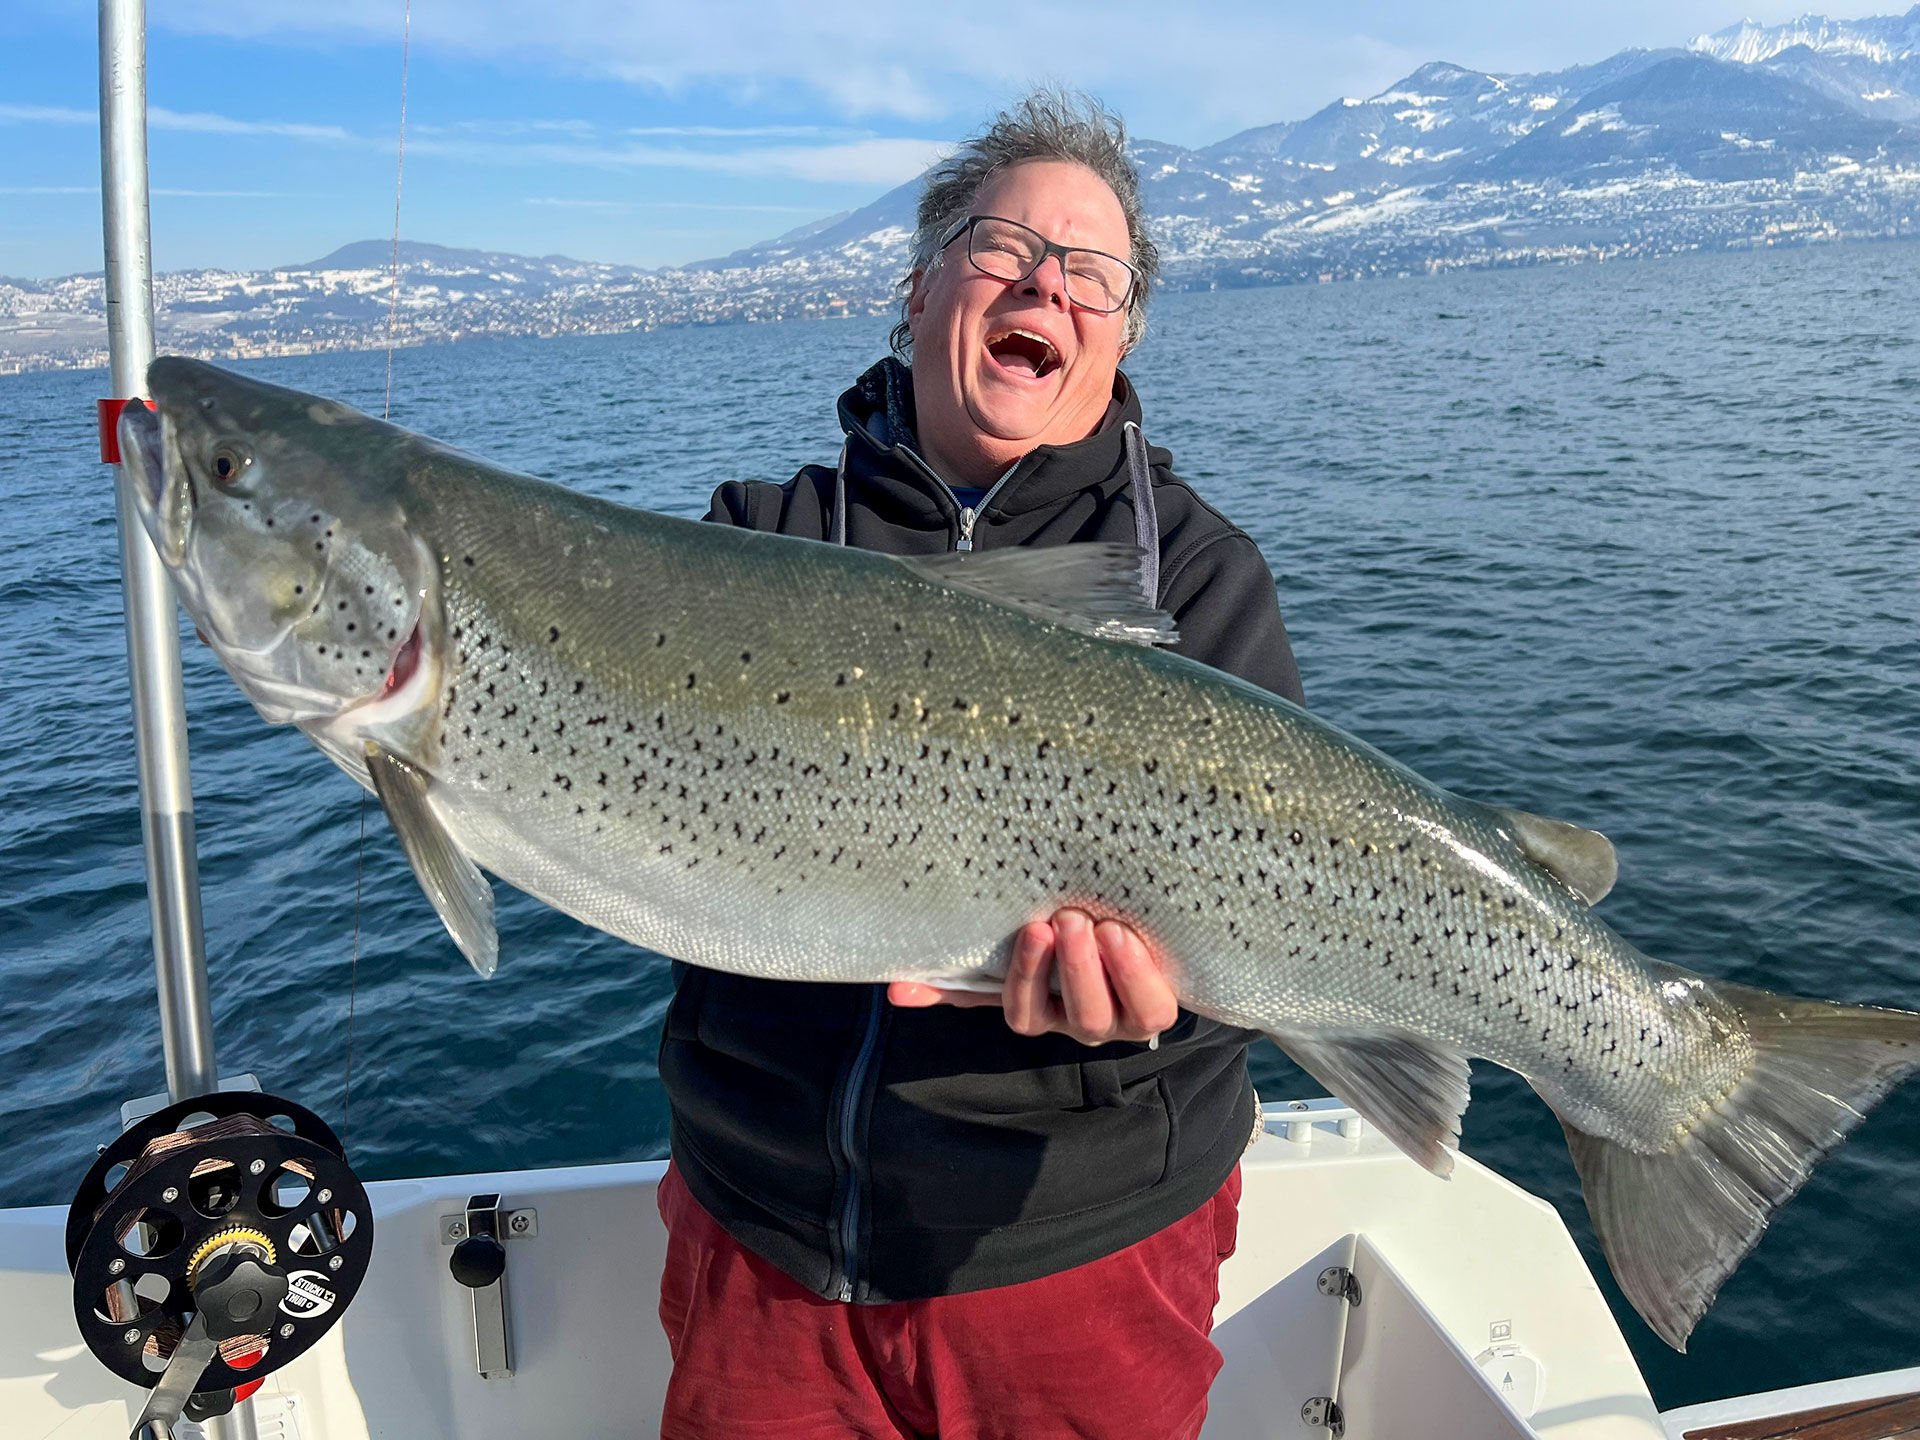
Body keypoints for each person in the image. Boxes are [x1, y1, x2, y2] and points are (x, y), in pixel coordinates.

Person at [655, 90, 1304, 1440]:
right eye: (1005, 245)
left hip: (1078, 1250)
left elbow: (1284, 901)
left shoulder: (1194, 579)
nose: (1048, 286)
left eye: (1095, 272)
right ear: (920, 285)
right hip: (759, 1238)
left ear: (1121, 333)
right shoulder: (756, 544)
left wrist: (1165, 1006)